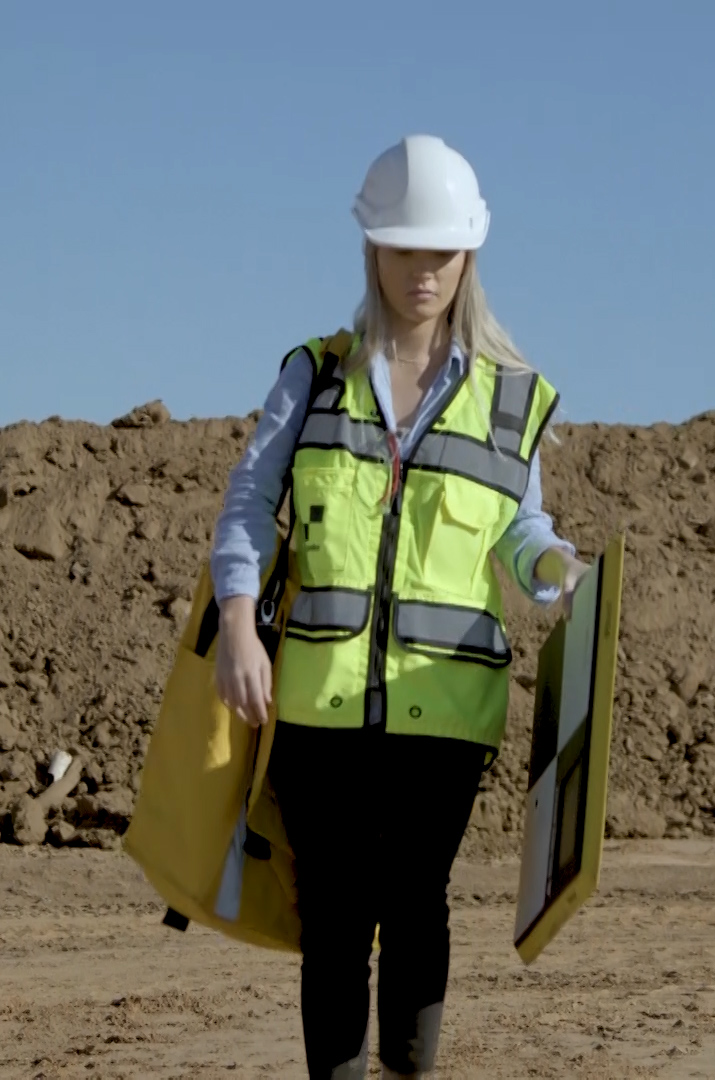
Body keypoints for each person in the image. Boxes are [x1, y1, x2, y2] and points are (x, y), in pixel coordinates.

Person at [207, 134, 588, 1079]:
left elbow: (520, 528)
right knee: (334, 911)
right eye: (407, 249)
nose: (426, 271)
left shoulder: (511, 401)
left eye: (443, 251)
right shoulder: (314, 375)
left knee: (417, 900)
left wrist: (555, 569)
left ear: (470, 257)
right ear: (373, 249)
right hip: (319, 704)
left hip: (446, 713)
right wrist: (241, 624)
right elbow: (250, 505)